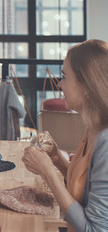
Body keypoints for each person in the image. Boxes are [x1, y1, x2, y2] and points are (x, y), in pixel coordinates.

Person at [22, 40, 108, 231]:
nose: (60, 84)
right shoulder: (93, 127)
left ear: (87, 85)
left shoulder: (105, 142)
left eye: (65, 77)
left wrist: (48, 173)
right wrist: (56, 159)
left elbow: (94, 229)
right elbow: (84, 190)